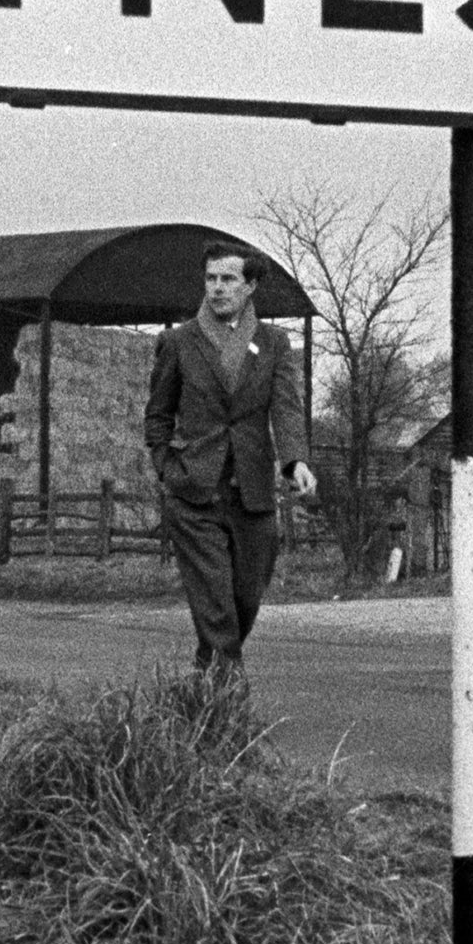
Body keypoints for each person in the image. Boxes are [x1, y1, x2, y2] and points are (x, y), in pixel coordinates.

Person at [143, 240, 313, 678]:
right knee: (215, 600)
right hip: (195, 491)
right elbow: (157, 415)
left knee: (245, 597)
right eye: (211, 279)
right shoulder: (179, 342)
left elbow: (288, 407)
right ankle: (227, 695)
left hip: (252, 492)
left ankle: (207, 670)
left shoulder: (273, 343)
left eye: (228, 279)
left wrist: (294, 461)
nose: (217, 288)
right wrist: (167, 468)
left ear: (250, 285)